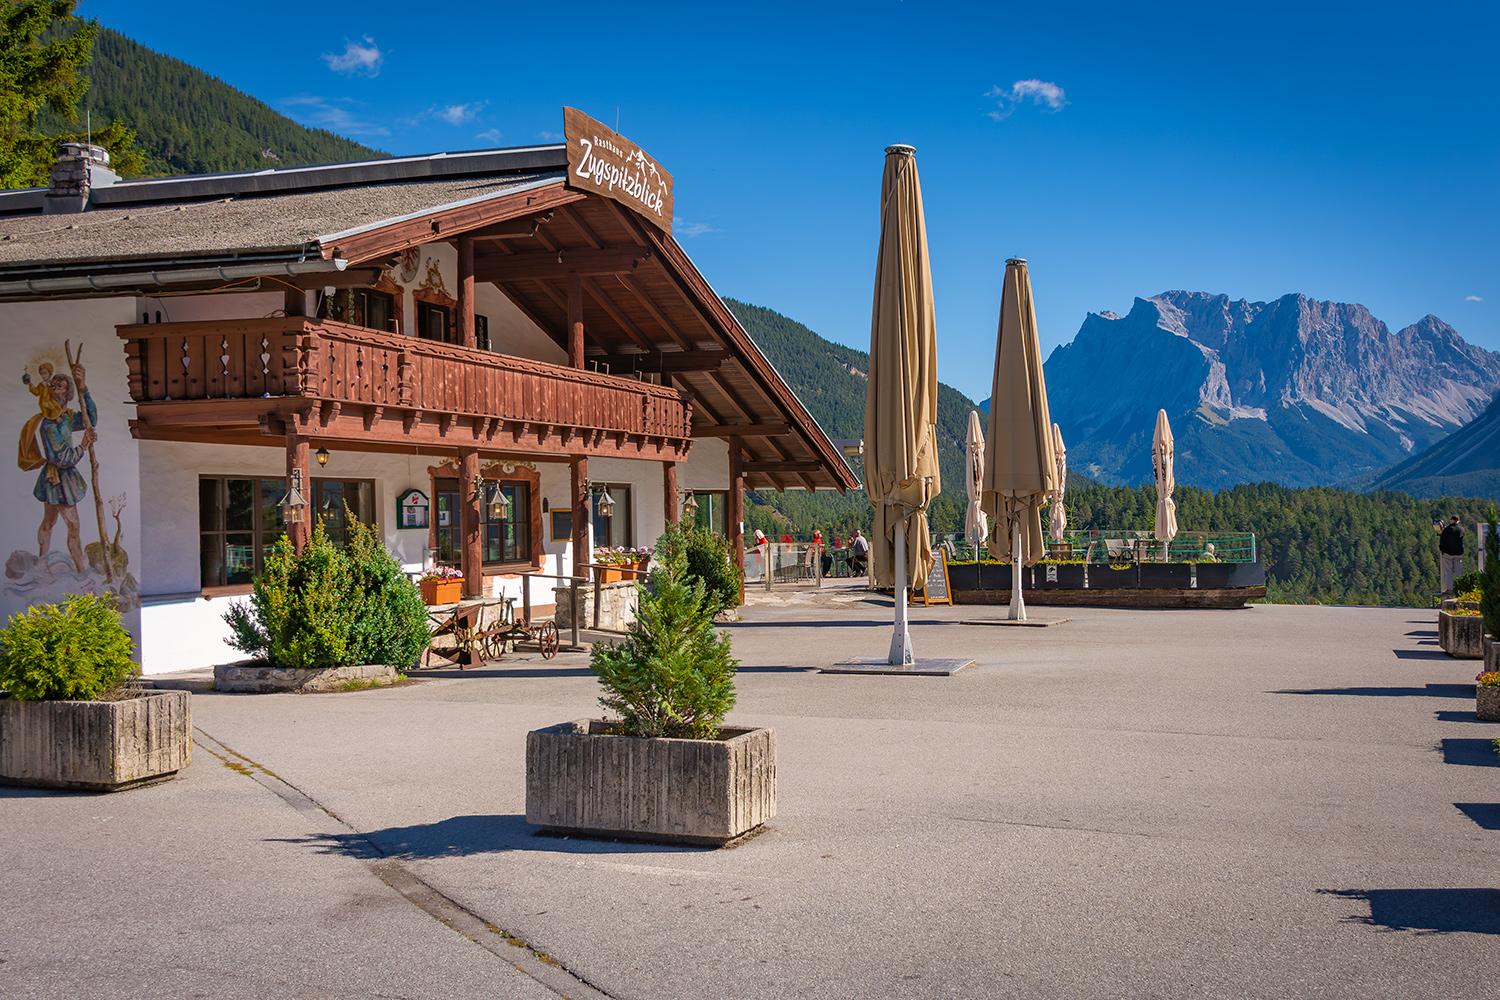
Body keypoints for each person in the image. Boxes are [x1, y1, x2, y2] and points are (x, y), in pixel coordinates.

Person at [1436, 515, 1465, 595]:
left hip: (1447, 553)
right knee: (1458, 571)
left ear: (1451, 520)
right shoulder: (1461, 529)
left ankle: (1449, 589)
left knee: (1448, 571)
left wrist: (1442, 549)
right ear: (1458, 521)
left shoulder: (1446, 530)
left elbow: (1442, 541)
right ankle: (1460, 588)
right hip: (1458, 553)